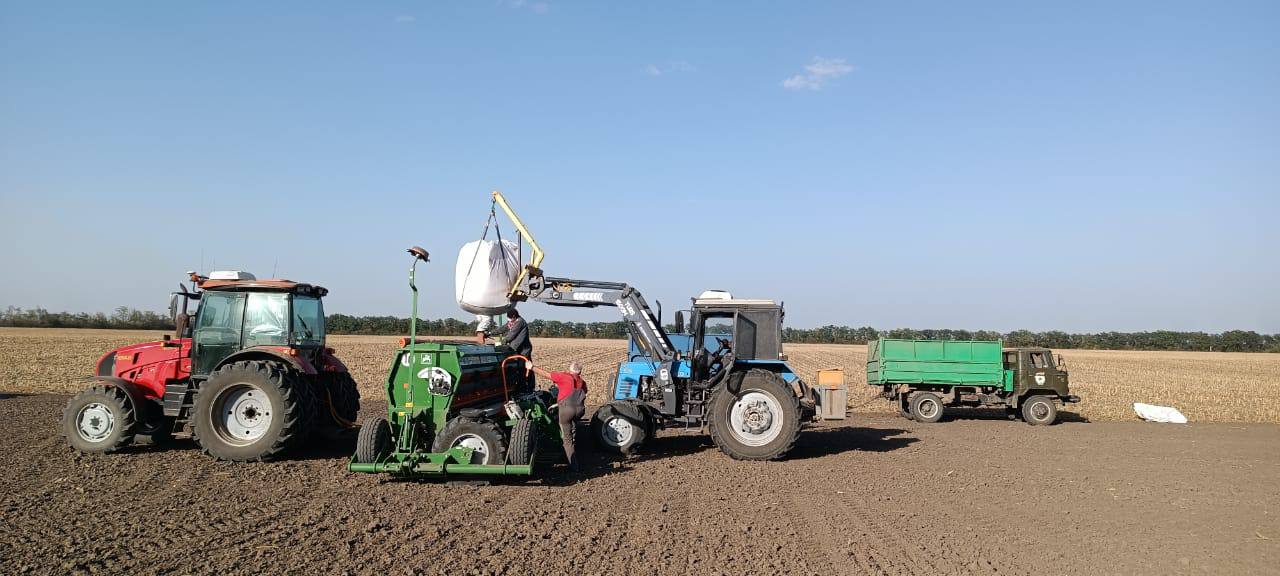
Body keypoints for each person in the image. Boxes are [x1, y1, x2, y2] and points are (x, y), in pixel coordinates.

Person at [526, 360, 587, 472]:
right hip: (580, 410)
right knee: (572, 430)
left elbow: (547, 374)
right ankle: (573, 450)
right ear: (580, 371)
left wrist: (531, 367)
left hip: (567, 411)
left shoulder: (565, 377)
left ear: (570, 369)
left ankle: (574, 466)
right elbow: (580, 394)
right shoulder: (582, 382)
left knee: (566, 439)